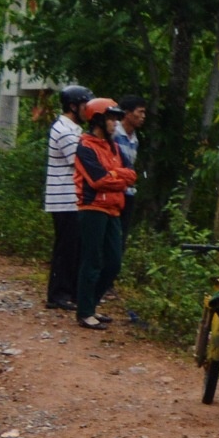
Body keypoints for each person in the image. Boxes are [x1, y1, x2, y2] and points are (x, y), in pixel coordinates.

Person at [69, 96, 133, 330]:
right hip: (92, 209)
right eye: (111, 119)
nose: (115, 123)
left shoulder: (115, 147)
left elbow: (131, 174)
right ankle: (85, 312)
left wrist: (114, 176)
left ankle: (91, 304)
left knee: (114, 262)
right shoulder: (85, 147)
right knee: (92, 259)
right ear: (98, 120)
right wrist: (118, 176)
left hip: (114, 209)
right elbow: (97, 180)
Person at [41, 84, 93, 310]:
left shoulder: (74, 130)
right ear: (73, 106)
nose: (88, 110)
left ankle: (69, 292)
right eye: (85, 105)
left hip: (72, 198)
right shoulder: (64, 130)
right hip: (64, 197)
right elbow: (79, 160)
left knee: (75, 247)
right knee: (66, 247)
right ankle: (58, 294)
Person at [103, 98, 145, 302]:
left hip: (128, 193)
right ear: (127, 113)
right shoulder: (113, 133)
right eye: (140, 112)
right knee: (109, 236)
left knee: (120, 237)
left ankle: (109, 281)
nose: (143, 116)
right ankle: (103, 282)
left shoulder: (134, 138)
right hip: (114, 191)